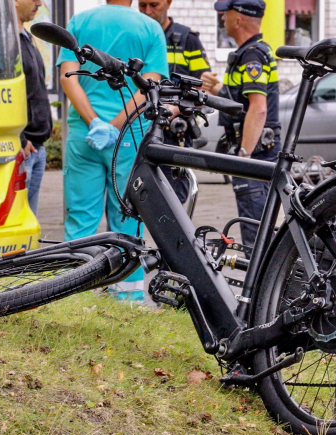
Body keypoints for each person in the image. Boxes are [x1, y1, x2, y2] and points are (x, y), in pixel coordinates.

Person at [58, 0, 168, 301]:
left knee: (81, 217)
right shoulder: (150, 28)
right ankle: (127, 299)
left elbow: (68, 79)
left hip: (85, 135)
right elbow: (148, 87)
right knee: (127, 218)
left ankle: (77, 295)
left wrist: (94, 121)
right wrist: (116, 125)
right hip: (128, 137)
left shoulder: (79, 22)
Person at [201, 0, 280, 252]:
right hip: (259, 151)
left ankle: (260, 290)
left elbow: (258, 108)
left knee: (255, 236)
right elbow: (242, 101)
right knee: (257, 229)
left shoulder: (252, 55)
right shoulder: (251, 51)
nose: (222, 18)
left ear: (239, 20)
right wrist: (215, 89)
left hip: (256, 154)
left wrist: (244, 156)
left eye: (226, 15)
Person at [138, 0, 211, 204]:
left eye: (154, 5)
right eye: (142, 5)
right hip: (137, 129)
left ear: (169, 3)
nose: (148, 11)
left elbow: (202, 86)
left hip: (173, 133)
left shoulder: (187, 39)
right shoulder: (135, 36)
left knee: (173, 203)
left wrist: (176, 108)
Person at [15, 0, 53, 217]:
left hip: (37, 148)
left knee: (30, 225)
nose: (40, 3)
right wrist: (19, 138)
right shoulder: (7, 41)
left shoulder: (26, 37)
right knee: (20, 222)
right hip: (24, 148)